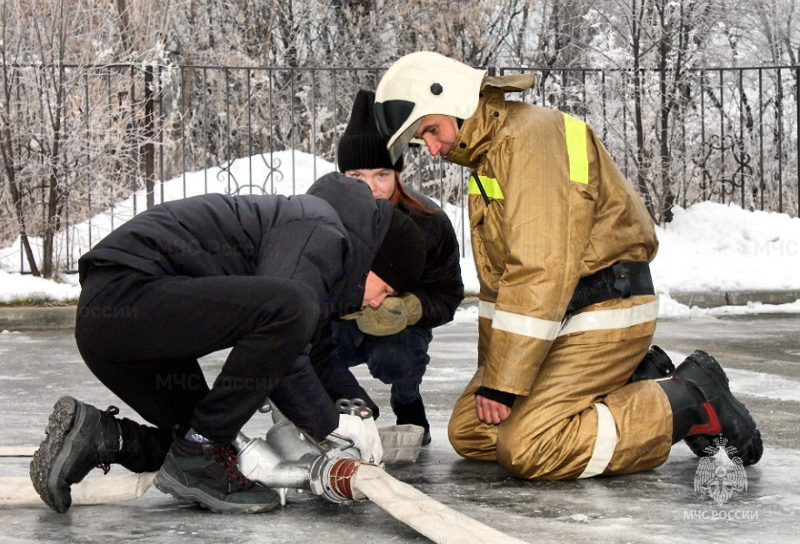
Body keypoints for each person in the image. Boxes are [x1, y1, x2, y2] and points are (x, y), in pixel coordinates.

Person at [373, 51, 763, 480]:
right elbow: (499, 286)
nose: (432, 148)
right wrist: (496, 377)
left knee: (528, 448)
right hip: (559, 318)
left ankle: (687, 400)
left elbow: (540, 269)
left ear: (454, 98)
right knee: (472, 432)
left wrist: (505, 384)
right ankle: (626, 387)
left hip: (603, 305)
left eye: (430, 129)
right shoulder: (490, 157)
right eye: (421, 140)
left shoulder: (531, 140)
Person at [29, 172, 427, 513]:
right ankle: (197, 451)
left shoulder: (316, 243)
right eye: (386, 288)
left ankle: (103, 435)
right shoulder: (318, 228)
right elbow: (289, 335)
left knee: (216, 455)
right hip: (127, 298)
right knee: (207, 442)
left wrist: (360, 412)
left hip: (122, 326)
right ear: (372, 258)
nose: (377, 301)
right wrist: (331, 427)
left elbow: (313, 348)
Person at [332, 89, 464, 445]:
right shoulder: (323, 219)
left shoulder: (428, 221)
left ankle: (408, 401)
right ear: (342, 175)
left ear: (398, 175)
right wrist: (344, 306)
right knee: (309, 344)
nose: (371, 188)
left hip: (399, 330)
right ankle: (345, 405)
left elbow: (448, 294)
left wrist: (408, 308)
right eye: (356, 175)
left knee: (398, 356)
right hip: (340, 325)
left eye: (381, 175)